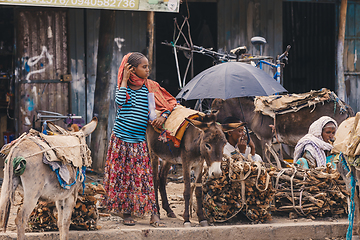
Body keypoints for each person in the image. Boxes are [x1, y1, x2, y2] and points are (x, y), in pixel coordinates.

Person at [102, 52, 177, 227]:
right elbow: (119, 102)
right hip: (121, 140)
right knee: (124, 178)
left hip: (139, 142)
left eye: (148, 66)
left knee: (145, 178)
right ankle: (127, 213)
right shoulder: (123, 88)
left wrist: (163, 117)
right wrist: (123, 80)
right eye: (144, 67)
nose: (148, 70)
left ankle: (153, 214)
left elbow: (170, 103)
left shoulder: (150, 87)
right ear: (132, 69)